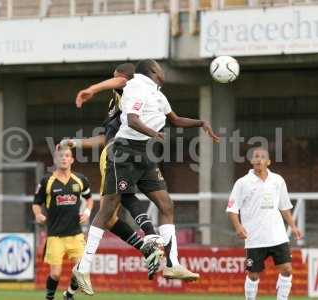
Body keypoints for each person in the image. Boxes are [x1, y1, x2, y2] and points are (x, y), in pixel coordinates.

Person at [73, 59, 220, 295]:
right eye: (159, 68)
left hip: (144, 155)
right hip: (122, 151)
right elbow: (132, 119)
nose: (163, 71)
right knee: (108, 209)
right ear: (151, 71)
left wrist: (201, 123)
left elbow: (175, 120)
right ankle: (83, 267)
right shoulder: (135, 86)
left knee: (166, 203)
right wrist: (152, 132)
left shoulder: (157, 94)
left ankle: (172, 264)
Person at [62, 63, 164, 280]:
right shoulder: (117, 105)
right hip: (121, 150)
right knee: (111, 214)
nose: (114, 83)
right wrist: (75, 142)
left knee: (108, 213)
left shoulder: (128, 89)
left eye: (114, 78)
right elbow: (104, 137)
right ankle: (149, 244)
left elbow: (122, 81)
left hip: (117, 153)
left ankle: (150, 239)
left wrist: (92, 88)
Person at [226, 147, 303, 300]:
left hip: (277, 236)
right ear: (252, 161)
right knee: (253, 275)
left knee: (287, 269)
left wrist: (293, 226)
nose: (258, 159)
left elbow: (284, 207)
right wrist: (238, 226)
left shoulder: (277, 180)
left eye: (262, 157)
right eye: (255, 156)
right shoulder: (242, 183)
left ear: (268, 162)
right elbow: (231, 209)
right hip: (254, 238)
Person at [32, 145, 94, 300]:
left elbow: (89, 199)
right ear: (55, 159)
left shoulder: (80, 179)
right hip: (55, 235)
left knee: (81, 270)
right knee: (55, 273)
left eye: (67, 156)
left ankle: (69, 295)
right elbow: (36, 203)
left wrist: (87, 211)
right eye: (61, 156)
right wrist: (38, 214)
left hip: (75, 234)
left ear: (72, 159)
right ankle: (50, 297)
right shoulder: (47, 181)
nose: (64, 158)